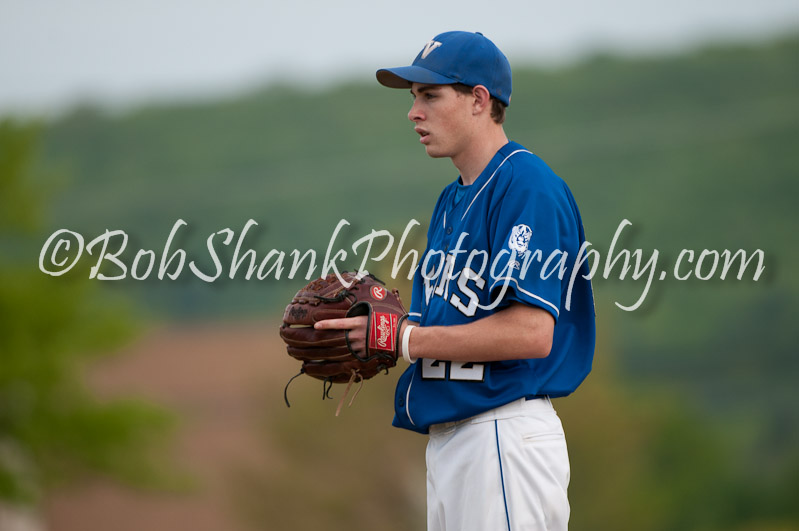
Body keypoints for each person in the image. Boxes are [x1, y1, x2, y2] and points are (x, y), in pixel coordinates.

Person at [315, 31, 596, 531]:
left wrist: (403, 338)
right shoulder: (453, 200)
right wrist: (376, 333)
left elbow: (531, 333)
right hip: (455, 441)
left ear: (479, 100)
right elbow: (427, 332)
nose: (413, 112)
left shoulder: (526, 186)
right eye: (413, 98)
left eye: (430, 95)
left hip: (501, 434)